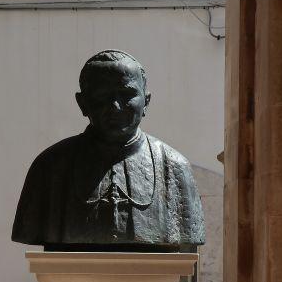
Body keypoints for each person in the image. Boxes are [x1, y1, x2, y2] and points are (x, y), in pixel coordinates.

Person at [11, 50, 205, 249]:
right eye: (102, 96)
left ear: (146, 102)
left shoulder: (175, 167)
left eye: (127, 95)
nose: (115, 106)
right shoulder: (50, 167)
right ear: (82, 103)